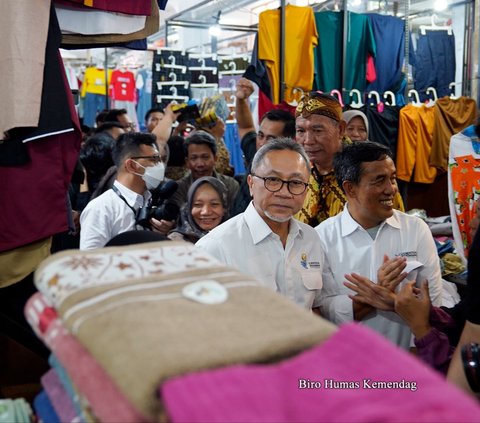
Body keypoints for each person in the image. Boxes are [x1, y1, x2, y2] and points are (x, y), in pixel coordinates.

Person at [315, 141, 443, 348]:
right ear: (350, 188)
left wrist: (418, 354)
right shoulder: (322, 237)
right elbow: (324, 309)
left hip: (408, 360)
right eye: (379, 180)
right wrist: (380, 290)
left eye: (392, 178)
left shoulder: (416, 229)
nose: (391, 189)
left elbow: (434, 302)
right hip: (348, 364)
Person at [196, 138, 323, 310]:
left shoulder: (311, 238)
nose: (284, 193)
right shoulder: (215, 247)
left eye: (295, 183)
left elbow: (316, 306)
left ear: (306, 190)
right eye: (273, 180)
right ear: (251, 183)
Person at [294, 92, 404, 227]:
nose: (308, 141)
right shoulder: (298, 170)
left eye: (318, 131)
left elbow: (395, 226)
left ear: (340, 130)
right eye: (300, 131)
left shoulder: (369, 167)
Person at [79, 132, 167, 249]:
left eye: (160, 159)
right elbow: (91, 261)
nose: (160, 165)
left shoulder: (152, 201)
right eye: (154, 159)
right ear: (131, 165)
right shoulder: (101, 208)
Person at [232, 77, 296, 216]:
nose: (262, 142)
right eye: (260, 135)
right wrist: (241, 99)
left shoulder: (295, 173)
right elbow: (245, 126)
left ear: (288, 140)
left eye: (271, 138)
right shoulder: (256, 153)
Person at [167, 131, 239, 214]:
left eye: (205, 157)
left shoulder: (231, 185)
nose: (200, 164)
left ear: (215, 158)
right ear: (187, 162)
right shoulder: (179, 189)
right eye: (194, 158)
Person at [168, 176, 228, 243]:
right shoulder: (174, 243)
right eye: (198, 205)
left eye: (214, 204)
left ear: (224, 208)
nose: (206, 212)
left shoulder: (234, 238)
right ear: (188, 208)